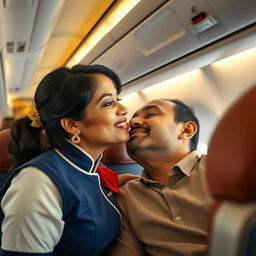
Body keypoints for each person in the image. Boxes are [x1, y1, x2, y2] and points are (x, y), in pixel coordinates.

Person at [0, 64, 133, 256]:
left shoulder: (91, 167)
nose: (124, 109)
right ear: (72, 125)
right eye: (107, 103)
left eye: (117, 99)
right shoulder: (37, 182)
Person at [111, 99, 213, 256]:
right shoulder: (127, 194)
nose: (133, 122)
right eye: (133, 118)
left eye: (151, 114)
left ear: (186, 130)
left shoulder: (220, 167)